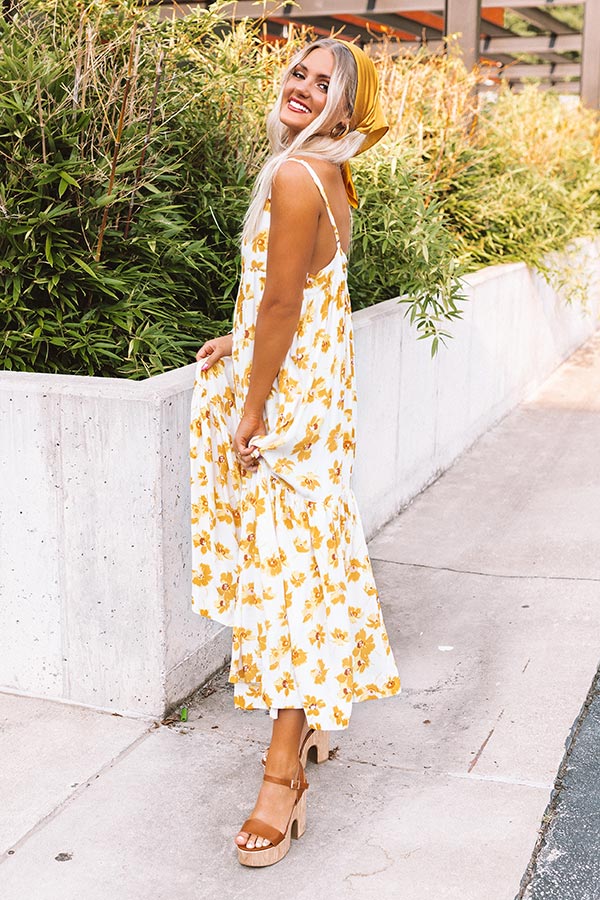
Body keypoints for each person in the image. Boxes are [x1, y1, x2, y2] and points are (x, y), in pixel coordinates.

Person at [190, 37, 401, 867]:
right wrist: (238, 340)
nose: (304, 87)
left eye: (326, 84)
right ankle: (303, 725)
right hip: (319, 395)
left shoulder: (295, 175)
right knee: (305, 567)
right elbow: (299, 295)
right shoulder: (331, 175)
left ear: (345, 113)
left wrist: (249, 406)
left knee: (288, 584)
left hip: (290, 412)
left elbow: (284, 301)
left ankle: (283, 777)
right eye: (299, 73)